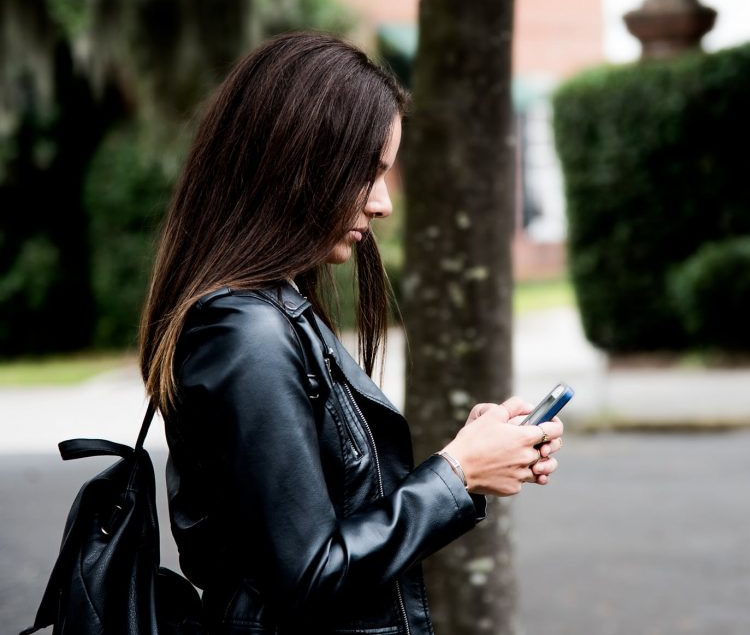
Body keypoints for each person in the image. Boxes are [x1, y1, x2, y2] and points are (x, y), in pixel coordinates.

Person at [139, 31, 564, 634]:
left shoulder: (270, 311)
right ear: (296, 162)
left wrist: (473, 458)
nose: (384, 202)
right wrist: (456, 474)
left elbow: (332, 519)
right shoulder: (244, 332)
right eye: (369, 172)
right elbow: (310, 575)